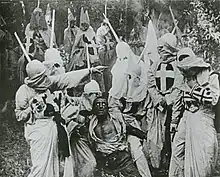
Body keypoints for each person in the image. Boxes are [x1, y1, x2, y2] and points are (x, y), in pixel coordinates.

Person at [15, 59, 103, 177]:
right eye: (41, 76)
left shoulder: (47, 82)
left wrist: (89, 70)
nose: (45, 78)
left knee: (53, 164)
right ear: (34, 77)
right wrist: (32, 107)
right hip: (37, 132)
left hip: (52, 128)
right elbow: (19, 116)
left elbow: (66, 78)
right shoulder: (23, 91)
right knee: (40, 166)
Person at [169, 47, 219, 177]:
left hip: (203, 119)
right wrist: (174, 121)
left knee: (202, 155)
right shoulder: (185, 79)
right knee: (177, 150)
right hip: (187, 118)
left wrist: (193, 89)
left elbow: (212, 99)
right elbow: (178, 101)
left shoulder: (211, 77)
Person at [147, 33, 183, 171]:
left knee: (172, 135)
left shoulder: (178, 64)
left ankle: (173, 165)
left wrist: (168, 100)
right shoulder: (156, 64)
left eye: (162, 47)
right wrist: (158, 99)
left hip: (175, 106)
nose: (159, 50)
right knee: (158, 136)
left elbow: (179, 86)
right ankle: (160, 164)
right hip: (159, 107)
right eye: (159, 48)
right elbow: (150, 84)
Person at [89, 96, 149, 177]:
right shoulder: (91, 124)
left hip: (122, 159)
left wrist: (145, 136)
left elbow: (130, 129)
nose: (100, 106)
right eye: (97, 104)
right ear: (94, 108)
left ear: (107, 107)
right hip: (105, 163)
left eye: (103, 104)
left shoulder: (115, 120)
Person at [62, 80, 101, 177]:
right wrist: (77, 127)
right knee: (90, 163)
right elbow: (65, 123)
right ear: (87, 95)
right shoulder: (76, 107)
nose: (97, 97)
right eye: (94, 94)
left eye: (98, 94)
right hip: (78, 141)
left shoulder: (96, 105)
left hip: (91, 140)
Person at [67, 7, 105, 93]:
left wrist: (93, 46)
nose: (84, 27)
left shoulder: (91, 30)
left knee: (96, 69)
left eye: (85, 24)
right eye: (82, 24)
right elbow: (75, 45)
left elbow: (94, 42)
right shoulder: (79, 32)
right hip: (80, 55)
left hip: (91, 54)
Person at [96, 19, 116, 93]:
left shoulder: (109, 30)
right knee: (104, 71)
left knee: (110, 70)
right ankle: (105, 89)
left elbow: (111, 39)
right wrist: (106, 44)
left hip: (109, 52)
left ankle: (109, 88)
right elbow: (100, 41)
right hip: (103, 53)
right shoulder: (101, 30)